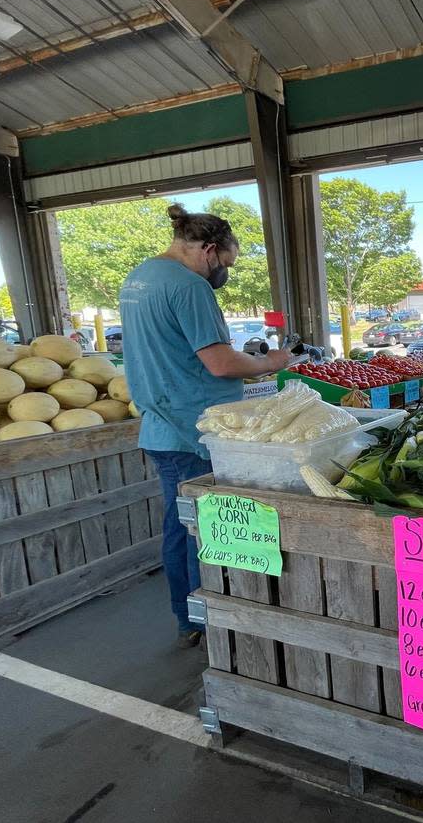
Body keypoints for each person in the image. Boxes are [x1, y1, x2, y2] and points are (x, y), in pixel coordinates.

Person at [120, 204, 292, 648]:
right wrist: (269, 362)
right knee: (201, 528)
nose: (224, 275)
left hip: (161, 422)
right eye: (226, 265)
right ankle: (207, 619)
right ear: (210, 251)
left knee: (180, 523)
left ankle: (191, 615)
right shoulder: (189, 286)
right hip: (192, 428)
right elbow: (219, 363)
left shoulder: (140, 277)